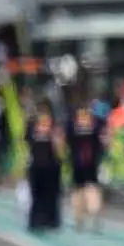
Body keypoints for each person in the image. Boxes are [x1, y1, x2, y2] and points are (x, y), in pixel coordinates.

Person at [65, 97, 106, 231]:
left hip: (82, 161)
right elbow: (104, 139)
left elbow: (66, 141)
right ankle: (87, 215)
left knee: (82, 189)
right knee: (88, 187)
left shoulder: (73, 124)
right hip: (87, 160)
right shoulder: (96, 123)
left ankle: (81, 218)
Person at [25, 98, 62, 231]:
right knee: (37, 196)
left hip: (51, 166)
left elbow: (59, 146)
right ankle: (36, 220)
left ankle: (50, 221)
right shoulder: (31, 124)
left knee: (51, 195)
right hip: (37, 165)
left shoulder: (54, 126)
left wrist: (54, 137)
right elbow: (28, 141)